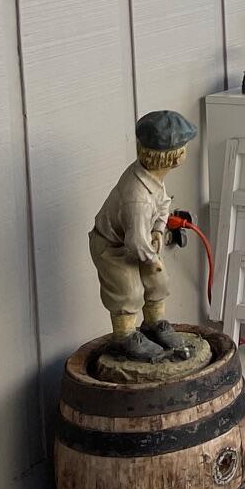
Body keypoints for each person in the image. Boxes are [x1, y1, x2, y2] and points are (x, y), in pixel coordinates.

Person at [89, 110, 196, 362]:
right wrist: (152, 258)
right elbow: (134, 241)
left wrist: (158, 229)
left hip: (140, 241)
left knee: (157, 281)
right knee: (128, 291)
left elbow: (162, 205)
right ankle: (125, 336)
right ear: (174, 156)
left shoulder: (151, 176)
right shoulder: (137, 197)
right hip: (113, 247)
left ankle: (153, 323)